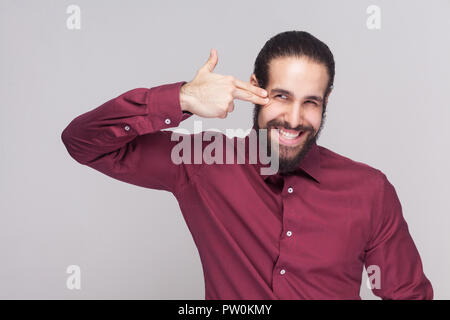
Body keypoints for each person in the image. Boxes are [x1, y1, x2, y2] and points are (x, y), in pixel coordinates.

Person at [61, 30, 433, 299]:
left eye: (310, 102)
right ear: (255, 87)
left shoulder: (369, 191)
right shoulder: (203, 163)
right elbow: (85, 143)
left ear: (326, 101)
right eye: (281, 96)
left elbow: (408, 294)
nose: (293, 117)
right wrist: (183, 98)